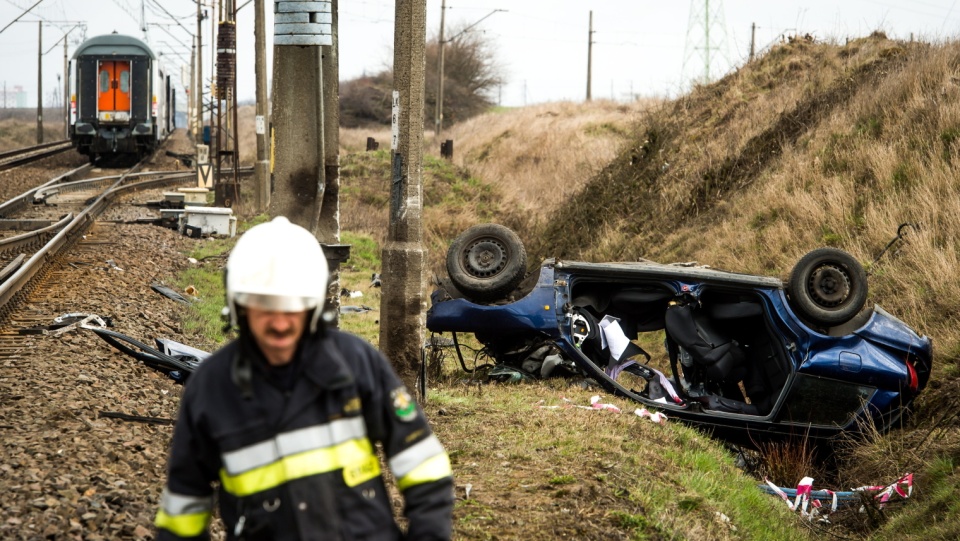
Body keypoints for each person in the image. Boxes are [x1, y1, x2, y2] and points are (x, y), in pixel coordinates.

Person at [154, 216, 454, 540]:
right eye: (265, 306)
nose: (280, 323)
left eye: (293, 306)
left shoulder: (356, 363)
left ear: (312, 305)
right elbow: (183, 509)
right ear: (238, 305)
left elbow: (423, 465)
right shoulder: (211, 389)